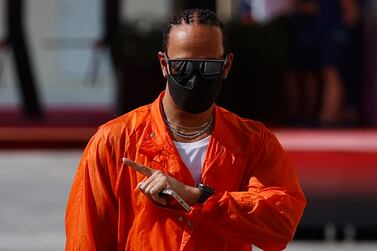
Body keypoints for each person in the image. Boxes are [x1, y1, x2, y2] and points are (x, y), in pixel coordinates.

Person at [65, 9, 306, 251]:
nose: (195, 78)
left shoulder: (252, 141)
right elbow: (85, 241)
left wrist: (199, 197)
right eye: (182, 66)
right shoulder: (115, 141)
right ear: (164, 64)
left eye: (208, 66)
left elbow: (281, 223)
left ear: (227, 65)